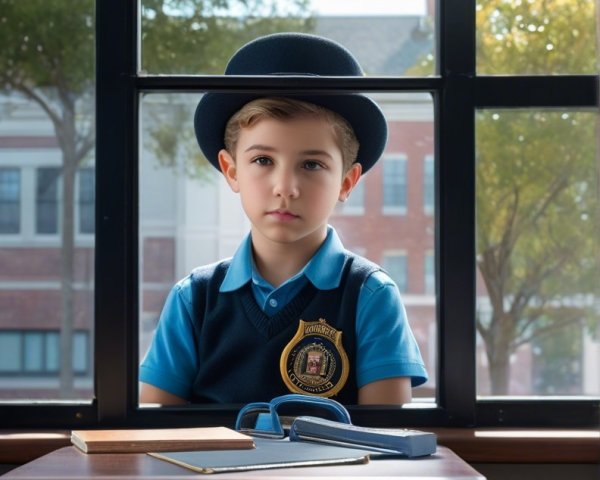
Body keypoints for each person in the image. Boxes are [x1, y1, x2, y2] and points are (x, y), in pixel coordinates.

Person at [140, 32, 428, 406]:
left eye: (311, 164)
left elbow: (385, 440)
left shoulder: (369, 296)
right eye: (263, 160)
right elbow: (152, 433)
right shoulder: (193, 298)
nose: (285, 187)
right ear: (231, 171)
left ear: (346, 181)